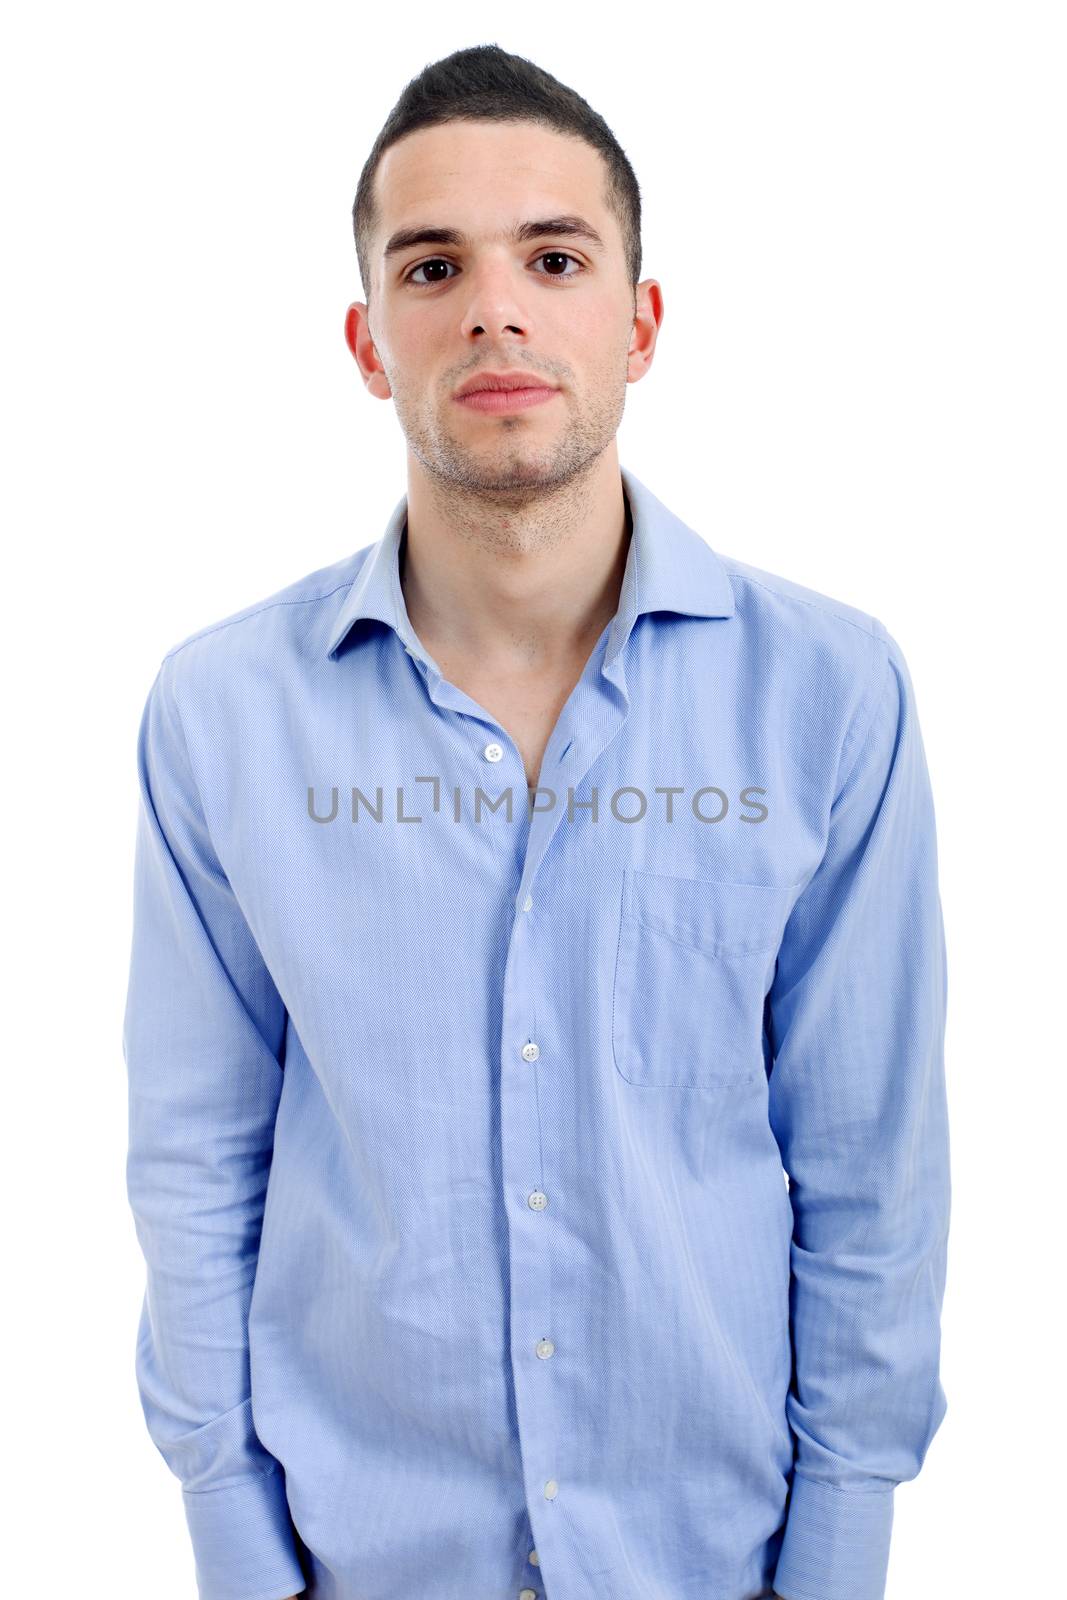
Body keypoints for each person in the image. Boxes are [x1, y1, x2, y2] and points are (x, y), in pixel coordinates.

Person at [123, 42, 951, 1600]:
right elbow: (193, 1161)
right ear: (371, 342)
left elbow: (870, 1172)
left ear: (638, 324)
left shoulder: (830, 696)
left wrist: (839, 1559)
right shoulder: (222, 715)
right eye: (434, 265)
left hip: (718, 1561)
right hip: (349, 1562)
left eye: (553, 256)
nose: (495, 307)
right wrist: (235, 1545)